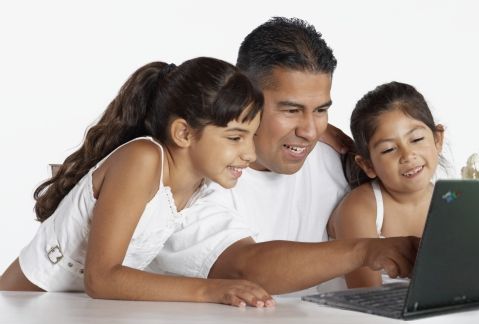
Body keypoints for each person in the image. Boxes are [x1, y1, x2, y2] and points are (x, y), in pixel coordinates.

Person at [148, 17, 420, 295]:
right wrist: (365, 250)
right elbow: (242, 269)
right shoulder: (195, 176)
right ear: (245, 99)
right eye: (291, 110)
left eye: (320, 110)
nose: (310, 131)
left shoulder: (337, 158)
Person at [0, 57, 274, 308]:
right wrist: (210, 291)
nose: (250, 154)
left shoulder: (200, 186)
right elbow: (102, 279)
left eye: (252, 136)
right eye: (235, 137)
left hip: (74, 314)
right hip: (22, 312)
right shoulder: (142, 160)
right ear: (183, 133)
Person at [328, 81, 445, 288]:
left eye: (416, 139)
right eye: (389, 149)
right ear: (368, 165)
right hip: (365, 317)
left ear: (438, 140)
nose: (408, 155)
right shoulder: (360, 208)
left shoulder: (448, 201)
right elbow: (365, 295)